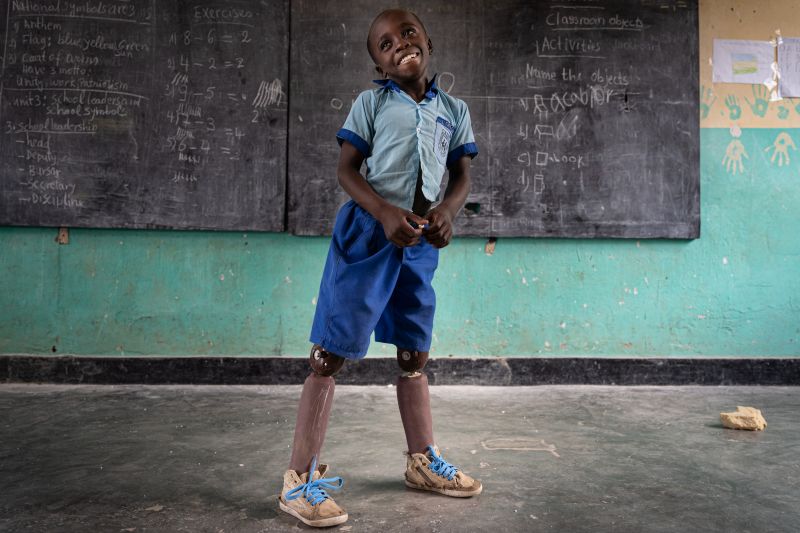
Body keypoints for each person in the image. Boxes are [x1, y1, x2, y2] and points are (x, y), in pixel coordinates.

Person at [278, 8, 482, 528]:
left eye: (407, 34)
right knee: (330, 354)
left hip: (419, 242)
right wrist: (384, 211)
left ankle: (421, 461)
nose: (399, 46)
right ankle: (298, 482)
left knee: (415, 351)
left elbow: (461, 175)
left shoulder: (454, 109)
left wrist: (447, 213)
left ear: (427, 41)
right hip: (370, 233)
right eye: (385, 45)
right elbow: (346, 169)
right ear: (380, 64)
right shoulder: (370, 103)